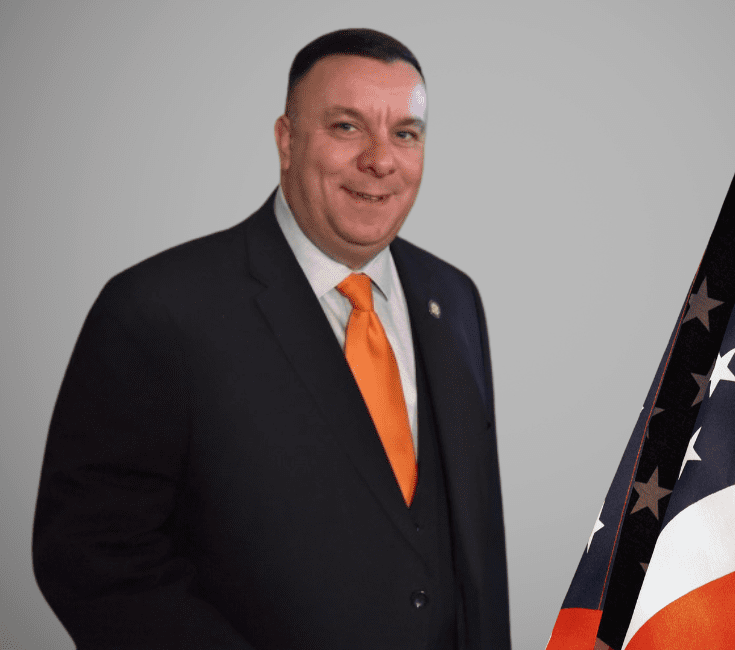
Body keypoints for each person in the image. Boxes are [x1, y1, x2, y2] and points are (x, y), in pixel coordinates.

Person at [32, 28, 510, 650]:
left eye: (404, 134)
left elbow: (471, 553)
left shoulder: (454, 299)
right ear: (287, 141)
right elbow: (94, 561)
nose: (381, 160)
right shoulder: (157, 309)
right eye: (346, 127)